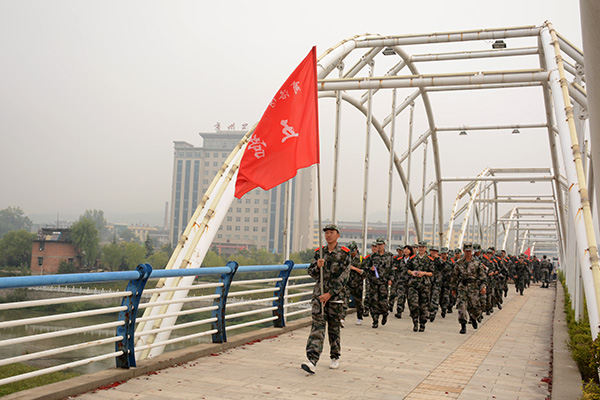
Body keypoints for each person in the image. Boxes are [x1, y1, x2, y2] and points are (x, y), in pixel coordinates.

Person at [301, 224, 350, 374]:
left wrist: (330, 294)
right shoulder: (319, 253)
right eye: (326, 233)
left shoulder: (344, 254)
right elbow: (312, 273)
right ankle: (312, 360)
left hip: (335, 297)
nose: (328, 235)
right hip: (319, 296)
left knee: (334, 328)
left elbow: (344, 277)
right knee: (317, 327)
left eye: (331, 232)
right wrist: (317, 266)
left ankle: (335, 356)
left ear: (337, 235)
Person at [451, 242, 487, 334]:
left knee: (475, 307)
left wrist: (483, 287)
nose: (468, 253)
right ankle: (463, 325)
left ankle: (474, 318)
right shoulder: (459, 263)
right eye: (466, 251)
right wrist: (453, 289)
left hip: (473, 287)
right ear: (463, 251)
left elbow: (482, 277)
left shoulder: (477, 263)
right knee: (462, 306)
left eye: (469, 251)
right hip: (462, 287)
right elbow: (454, 277)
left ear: (472, 251)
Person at [363, 238, 393, 328]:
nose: (379, 246)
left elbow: (392, 268)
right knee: (373, 301)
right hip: (374, 282)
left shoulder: (389, 256)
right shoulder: (372, 256)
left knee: (383, 302)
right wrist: (370, 269)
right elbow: (365, 267)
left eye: (380, 244)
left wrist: (391, 279)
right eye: (377, 245)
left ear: (384, 245)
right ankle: (375, 320)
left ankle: (385, 313)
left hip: (384, 282)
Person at [407, 241, 434, 332]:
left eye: (423, 247)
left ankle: (422, 323)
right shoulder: (413, 258)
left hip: (424, 285)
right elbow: (408, 269)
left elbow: (432, 273)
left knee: (424, 306)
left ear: (425, 248)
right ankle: (415, 322)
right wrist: (412, 272)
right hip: (413, 284)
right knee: (413, 304)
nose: (421, 249)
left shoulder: (429, 260)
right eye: (420, 247)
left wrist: (424, 273)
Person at [345, 241, 366, 324]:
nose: (352, 253)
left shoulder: (361, 259)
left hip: (358, 284)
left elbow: (365, 273)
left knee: (358, 302)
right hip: (347, 283)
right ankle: (342, 318)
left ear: (356, 250)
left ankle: (359, 317)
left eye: (353, 251)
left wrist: (354, 268)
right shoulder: (346, 259)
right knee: (345, 300)